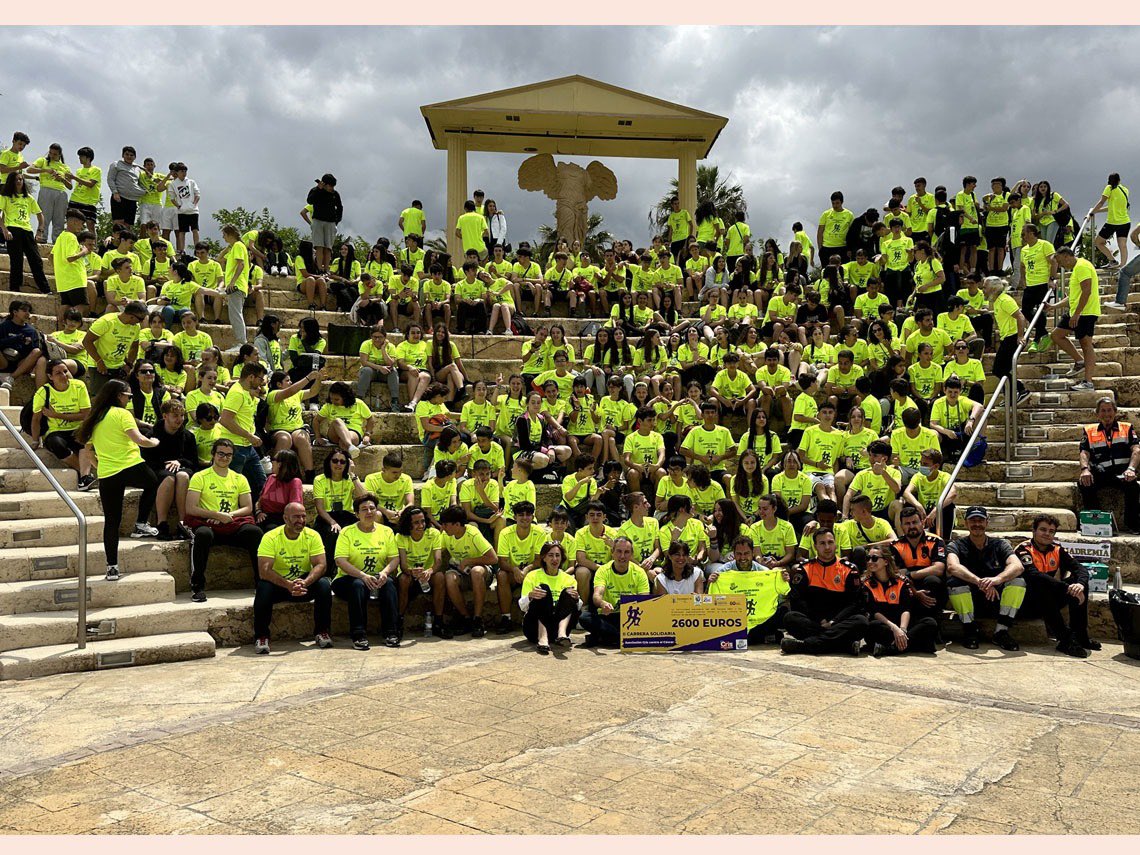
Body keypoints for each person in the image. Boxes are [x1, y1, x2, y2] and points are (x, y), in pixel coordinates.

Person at [75, 380, 161, 582]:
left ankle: (111, 567)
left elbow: (88, 450)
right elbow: (139, 439)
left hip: (108, 474)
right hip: (130, 465)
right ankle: (141, 523)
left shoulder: (95, 418)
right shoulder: (122, 414)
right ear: (118, 395)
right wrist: (154, 442)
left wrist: (99, 466)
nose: (129, 400)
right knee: (154, 483)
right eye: (128, 396)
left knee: (111, 522)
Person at [184, 438, 262, 602]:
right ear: (213, 454)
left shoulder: (239, 478)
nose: (224, 458)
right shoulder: (200, 477)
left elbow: (247, 507)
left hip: (231, 524)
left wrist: (228, 517)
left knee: (254, 532)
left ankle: (261, 583)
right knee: (202, 534)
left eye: (229, 455)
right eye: (221, 453)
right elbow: (191, 508)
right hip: (209, 525)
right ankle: (197, 586)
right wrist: (216, 515)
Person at [252, 502, 332, 654]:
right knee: (263, 587)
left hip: (302, 585)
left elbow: (321, 565)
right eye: (296, 517)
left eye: (303, 516)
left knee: (323, 584)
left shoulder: (313, 535)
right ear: (285, 518)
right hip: (280, 585)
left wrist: (305, 582)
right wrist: (288, 585)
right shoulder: (270, 537)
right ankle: (261, 636)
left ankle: (322, 632)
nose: (300, 521)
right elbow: (264, 571)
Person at [945, 506, 1027, 651]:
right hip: (970, 600)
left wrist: (996, 580)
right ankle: (969, 629)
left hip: (996, 599)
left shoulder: (1000, 544)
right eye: (973, 520)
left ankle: (1001, 631)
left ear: (987, 522)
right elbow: (952, 567)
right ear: (966, 523)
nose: (977, 524)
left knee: (1018, 581)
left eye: (980, 520)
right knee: (954, 582)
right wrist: (979, 582)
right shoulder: (956, 545)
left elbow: (1018, 566)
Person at [780, 529, 868, 655]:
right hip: (814, 621)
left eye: (830, 542)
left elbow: (855, 603)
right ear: (815, 546)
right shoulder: (804, 568)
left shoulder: (849, 569)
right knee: (790, 618)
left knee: (861, 622)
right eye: (822, 543)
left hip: (839, 621)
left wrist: (834, 622)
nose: (827, 547)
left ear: (835, 544)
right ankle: (843, 645)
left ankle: (804, 646)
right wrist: (819, 620)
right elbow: (797, 600)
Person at [332, 493, 400, 650]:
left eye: (372, 508)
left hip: (378, 578)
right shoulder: (347, 532)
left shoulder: (386, 532)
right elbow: (340, 560)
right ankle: (359, 634)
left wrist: (384, 573)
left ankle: (391, 633)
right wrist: (362, 576)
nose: (369, 512)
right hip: (348, 579)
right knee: (357, 585)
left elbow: (394, 558)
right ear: (356, 514)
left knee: (389, 584)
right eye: (364, 509)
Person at [1078, 397, 1140, 533]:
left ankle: (1133, 524)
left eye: (1109, 410)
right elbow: (1084, 453)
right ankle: (1095, 522)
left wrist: (1131, 469)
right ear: (1097, 413)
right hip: (1101, 473)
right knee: (1084, 482)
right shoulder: (1089, 430)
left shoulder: (1127, 428)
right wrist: (1084, 470)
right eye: (1103, 411)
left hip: (1122, 473)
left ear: (1115, 411)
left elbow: (1136, 450)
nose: (1107, 414)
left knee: (1133, 487)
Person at [862, 546, 939, 656]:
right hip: (885, 626)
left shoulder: (901, 581)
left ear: (886, 561)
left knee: (930, 623)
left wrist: (902, 630)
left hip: (902, 625)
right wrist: (895, 629)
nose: (870, 562)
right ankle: (914, 645)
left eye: (874, 558)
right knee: (873, 626)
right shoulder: (866, 584)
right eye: (868, 558)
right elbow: (875, 612)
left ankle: (890, 648)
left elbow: (905, 609)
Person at [30, 359, 94, 488]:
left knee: (84, 440)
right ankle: (84, 474)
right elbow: (36, 419)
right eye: (58, 373)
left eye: (65, 371)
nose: (64, 375)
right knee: (56, 444)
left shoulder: (79, 386)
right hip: (56, 431)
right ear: (50, 376)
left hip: (77, 428)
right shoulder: (43, 392)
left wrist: (57, 415)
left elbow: (86, 415)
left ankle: (85, 477)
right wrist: (35, 441)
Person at [438, 505, 498, 639]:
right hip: (461, 572)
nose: (443, 527)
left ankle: (478, 619)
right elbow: (438, 552)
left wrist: (470, 560)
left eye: (445, 524)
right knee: (449, 577)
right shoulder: (445, 535)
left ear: (457, 524)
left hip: (481, 570)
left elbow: (493, 558)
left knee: (476, 572)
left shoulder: (472, 533)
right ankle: (466, 617)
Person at [579, 536, 649, 648]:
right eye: (619, 551)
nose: (622, 556)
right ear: (612, 552)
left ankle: (604, 637)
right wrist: (603, 603)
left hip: (631, 617)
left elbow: (645, 600)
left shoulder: (639, 572)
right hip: (608, 616)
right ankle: (619, 638)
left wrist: (633, 601)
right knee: (584, 618)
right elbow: (597, 595)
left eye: (626, 552)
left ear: (631, 554)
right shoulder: (603, 570)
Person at [143, 400, 197, 541]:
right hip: (160, 468)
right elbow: (148, 460)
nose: (179, 419)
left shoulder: (188, 436)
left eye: (182, 415)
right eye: (175, 415)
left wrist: (179, 461)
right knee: (169, 479)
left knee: (183, 476)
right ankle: (162, 523)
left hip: (182, 468)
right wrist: (167, 464)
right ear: (165, 416)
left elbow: (193, 461)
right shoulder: (152, 434)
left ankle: (183, 523)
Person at [1049, 246, 1099, 391]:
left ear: (1066, 256)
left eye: (1059, 261)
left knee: (1086, 344)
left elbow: (1087, 290)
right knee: (1056, 335)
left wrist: (1077, 313)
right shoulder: (1077, 269)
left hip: (1086, 312)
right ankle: (1079, 361)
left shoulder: (1082, 266)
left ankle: (1088, 382)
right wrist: (1053, 307)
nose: (1060, 266)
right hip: (1076, 311)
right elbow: (1073, 297)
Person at [217, 361, 269, 502]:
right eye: (260, 378)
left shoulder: (246, 392)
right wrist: (249, 436)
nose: (262, 382)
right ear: (251, 377)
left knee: (260, 483)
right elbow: (225, 420)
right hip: (235, 447)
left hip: (246, 446)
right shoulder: (237, 393)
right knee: (233, 486)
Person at [495, 500, 549, 633]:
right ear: (514, 517)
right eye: (521, 515)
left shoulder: (539, 532)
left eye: (528, 514)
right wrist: (515, 570)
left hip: (532, 572)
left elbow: (539, 559)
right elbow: (502, 561)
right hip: (512, 573)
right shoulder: (505, 533)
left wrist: (526, 569)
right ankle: (506, 618)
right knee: (501, 575)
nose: (525, 518)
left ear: (533, 516)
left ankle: (537, 618)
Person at [518, 542, 579, 654]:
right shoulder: (532, 576)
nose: (554, 559)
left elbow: (575, 607)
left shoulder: (569, 579)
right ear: (544, 558)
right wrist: (530, 596)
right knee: (543, 588)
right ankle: (543, 637)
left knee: (569, 592)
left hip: (557, 626)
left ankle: (562, 634)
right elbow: (522, 606)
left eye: (557, 555)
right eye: (550, 555)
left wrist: (577, 599)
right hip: (534, 628)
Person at [890, 505, 949, 620]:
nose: (912, 526)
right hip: (909, 586)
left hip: (931, 586)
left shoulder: (936, 541)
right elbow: (897, 574)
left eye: (915, 522)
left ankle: (932, 623)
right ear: (901, 526)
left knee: (932, 580)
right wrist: (915, 591)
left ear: (922, 522)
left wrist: (910, 573)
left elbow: (938, 569)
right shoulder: (895, 545)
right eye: (907, 524)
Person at [1, 172, 50, 294]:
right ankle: (15, 288)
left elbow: (40, 215)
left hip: (27, 231)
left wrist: (40, 231)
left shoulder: (29, 198)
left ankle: (45, 289)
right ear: (11, 182)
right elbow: (0, 215)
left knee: (36, 260)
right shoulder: (5, 197)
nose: (19, 182)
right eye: (16, 179)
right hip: (13, 230)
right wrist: (4, 230)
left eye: (21, 179)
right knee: (16, 261)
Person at [983, 277, 1030, 405]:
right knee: (1003, 369)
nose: (983, 291)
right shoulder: (997, 301)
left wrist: (1020, 336)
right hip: (1007, 337)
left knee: (998, 369)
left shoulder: (1004, 300)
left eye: (985, 287)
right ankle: (1010, 395)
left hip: (1013, 336)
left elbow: (1020, 317)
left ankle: (1020, 389)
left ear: (992, 288)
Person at [1091, 172, 1131, 269]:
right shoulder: (1125, 190)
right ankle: (1123, 266)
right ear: (1119, 180)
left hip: (1112, 222)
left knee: (1098, 242)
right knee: (1123, 245)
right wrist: (1097, 211)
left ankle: (1112, 260)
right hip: (1125, 222)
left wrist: (1092, 212)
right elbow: (1112, 207)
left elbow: (1101, 202)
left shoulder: (1109, 188)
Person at [306, 173, 343, 272]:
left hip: (331, 222)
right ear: (324, 184)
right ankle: (319, 268)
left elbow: (339, 207)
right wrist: (319, 189)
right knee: (319, 246)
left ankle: (326, 268)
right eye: (330, 186)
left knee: (328, 247)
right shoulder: (315, 191)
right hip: (318, 220)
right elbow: (309, 201)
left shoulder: (335, 194)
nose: (332, 188)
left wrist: (337, 220)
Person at [106, 146, 146, 227]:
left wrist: (142, 191)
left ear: (135, 157)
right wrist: (115, 192)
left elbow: (140, 181)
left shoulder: (137, 168)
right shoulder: (116, 164)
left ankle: (126, 240)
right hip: (119, 197)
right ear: (123, 155)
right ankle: (117, 240)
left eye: (131, 155)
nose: (129, 157)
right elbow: (110, 179)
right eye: (127, 154)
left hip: (132, 200)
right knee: (118, 224)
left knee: (128, 225)